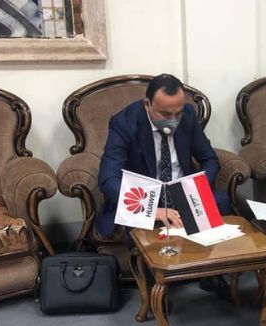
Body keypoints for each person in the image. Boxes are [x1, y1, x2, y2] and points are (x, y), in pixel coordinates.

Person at [97, 74, 231, 299]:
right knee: (141, 221)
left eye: (178, 113)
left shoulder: (188, 116)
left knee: (222, 201)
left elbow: (210, 159)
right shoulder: (124, 123)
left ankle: (213, 274)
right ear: (147, 104)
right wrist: (152, 210)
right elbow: (108, 179)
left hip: (182, 190)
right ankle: (155, 289)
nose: (173, 120)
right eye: (165, 114)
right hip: (145, 196)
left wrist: (197, 189)